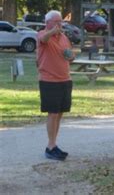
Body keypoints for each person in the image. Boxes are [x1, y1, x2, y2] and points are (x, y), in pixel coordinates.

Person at [37, 10, 75, 161]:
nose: (60, 24)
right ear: (48, 23)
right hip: (49, 80)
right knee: (52, 113)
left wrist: (71, 55)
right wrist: (52, 31)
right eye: (56, 22)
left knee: (59, 113)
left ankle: (54, 144)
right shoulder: (42, 34)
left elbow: (70, 54)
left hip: (65, 79)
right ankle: (50, 146)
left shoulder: (64, 37)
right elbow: (44, 39)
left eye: (61, 22)